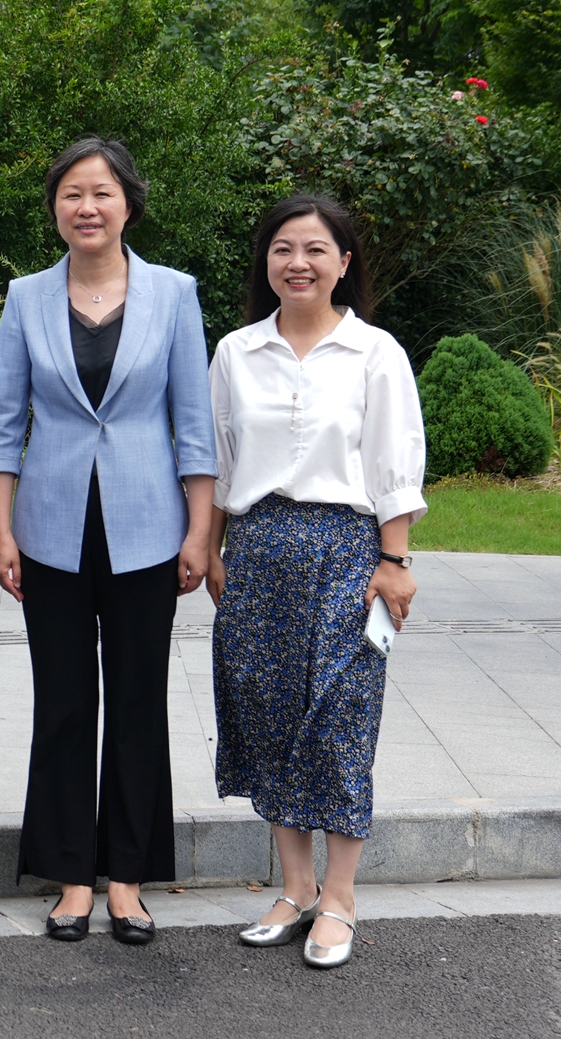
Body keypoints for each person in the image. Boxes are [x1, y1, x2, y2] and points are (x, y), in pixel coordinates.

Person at [0, 137, 216, 946]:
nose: (87, 206)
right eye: (72, 193)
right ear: (55, 207)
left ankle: (127, 878)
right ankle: (71, 875)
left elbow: (195, 425)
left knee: (138, 699)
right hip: (49, 530)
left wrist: (200, 530)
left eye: (102, 192)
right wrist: (0, 529)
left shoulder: (174, 293)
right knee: (64, 699)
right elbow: (3, 424)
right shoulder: (26, 297)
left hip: (149, 530)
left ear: (128, 203)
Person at [206, 194, 424, 970]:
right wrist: (212, 548)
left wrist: (395, 560)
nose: (297, 263)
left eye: (315, 249)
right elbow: (220, 460)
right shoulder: (236, 351)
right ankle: (295, 889)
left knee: (341, 718)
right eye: (282, 249)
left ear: (343, 262)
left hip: (349, 552)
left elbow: (396, 460)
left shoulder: (375, 353)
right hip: (257, 548)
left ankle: (341, 896)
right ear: (266, 262)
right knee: (269, 714)